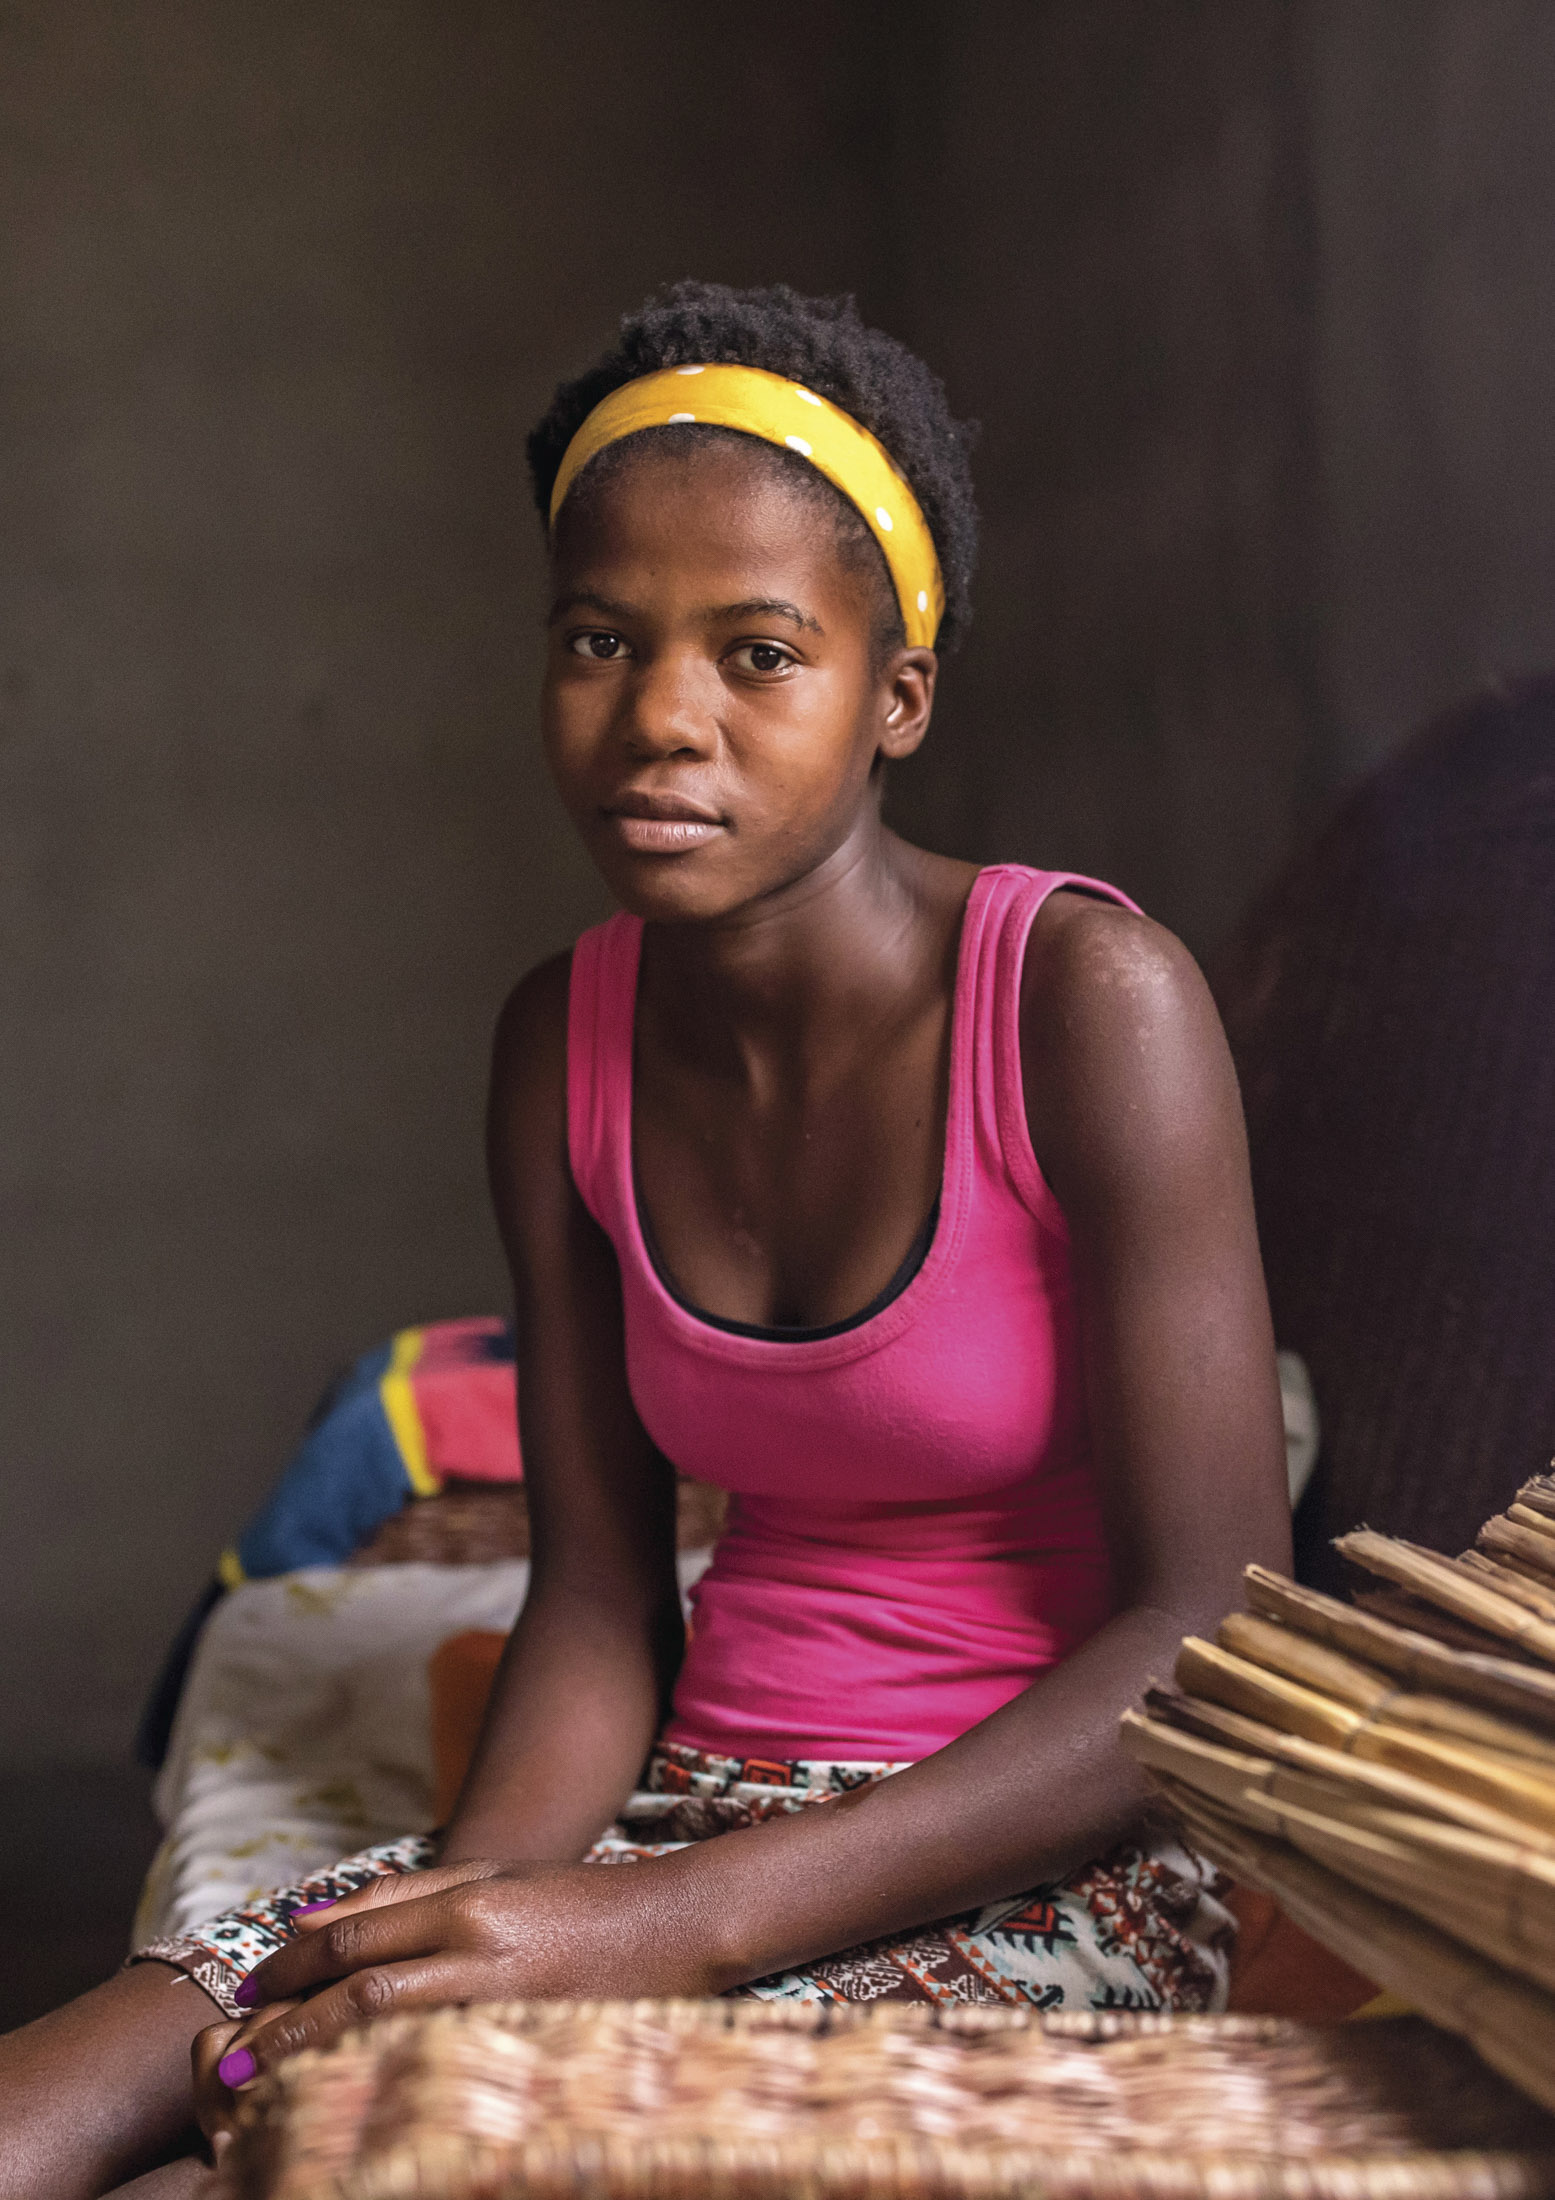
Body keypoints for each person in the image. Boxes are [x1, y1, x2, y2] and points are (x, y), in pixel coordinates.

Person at [0, 282, 1291, 2198]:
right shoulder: (562, 1040)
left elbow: (1207, 1638)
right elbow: (604, 1604)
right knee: (72, 2103)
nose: (661, 718)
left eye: (759, 654)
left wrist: (658, 1931)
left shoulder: (1089, 1000)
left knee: (380, 2164)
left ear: (897, 698)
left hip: (1047, 1861)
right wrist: (485, 1913)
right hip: (684, 1817)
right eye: (602, 640)